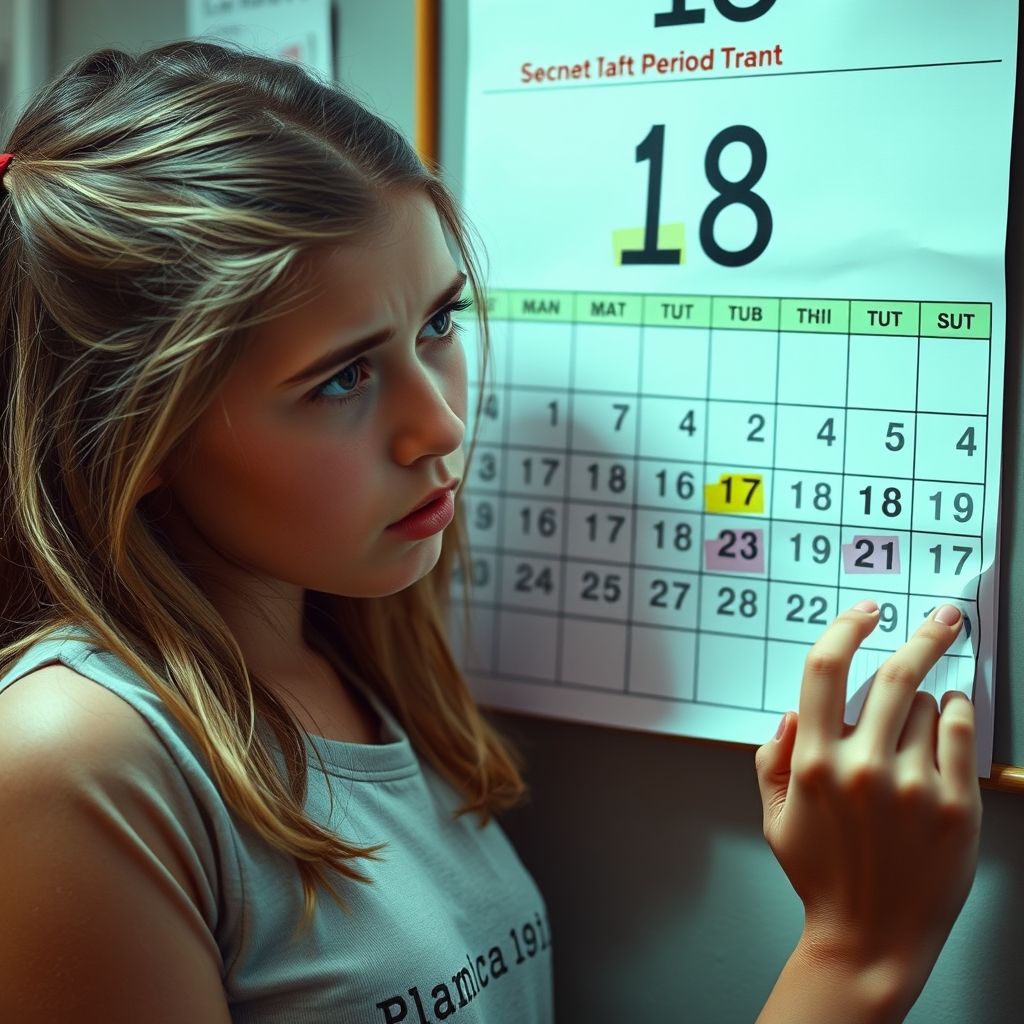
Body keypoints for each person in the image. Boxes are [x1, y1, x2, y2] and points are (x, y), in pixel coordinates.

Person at [0, 40, 980, 1024]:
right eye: (341, 377)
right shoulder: (69, 757)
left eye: (438, 323)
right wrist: (855, 956)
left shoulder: (355, 656)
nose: (442, 424)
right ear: (136, 431)